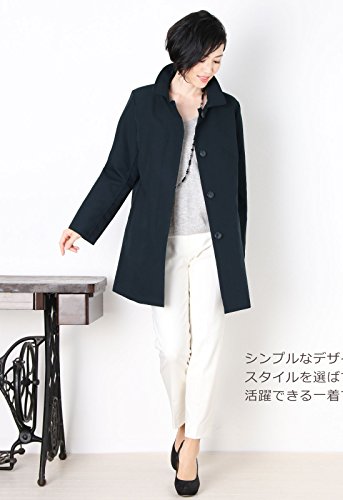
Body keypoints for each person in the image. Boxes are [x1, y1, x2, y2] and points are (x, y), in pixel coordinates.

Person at [59, 10, 250, 496]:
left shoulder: (227, 109)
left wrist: (236, 255)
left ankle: (192, 448)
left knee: (207, 346)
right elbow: (119, 171)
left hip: (212, 246)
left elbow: (238, 188)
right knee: (172, 350)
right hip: (159, 244)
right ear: (183, 53)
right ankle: (181, 426)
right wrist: (83, 225)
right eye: (205, 59)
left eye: (218, 60)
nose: (211, 69)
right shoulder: (144, 104)